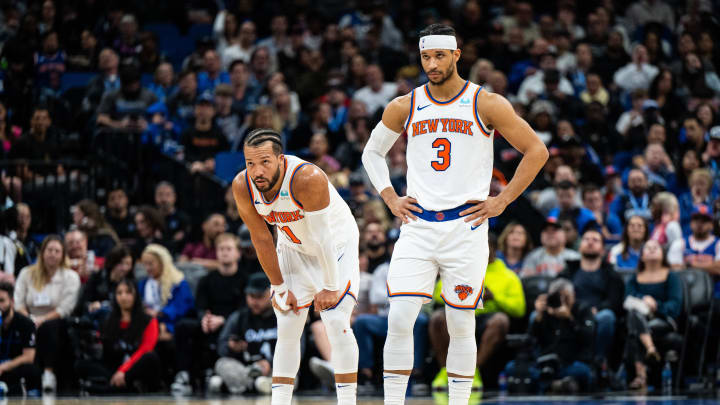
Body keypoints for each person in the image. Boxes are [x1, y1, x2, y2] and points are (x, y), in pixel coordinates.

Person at [361, 24, 548, 405]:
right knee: (399, 318)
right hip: (417, 226)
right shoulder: (405, 105)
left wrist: (503, 200)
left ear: (457, 55)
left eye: (439, 56)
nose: (432, 63)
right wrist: (390, 198)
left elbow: (537, 151)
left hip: (466, 227)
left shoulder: (486, 102)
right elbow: (371, 153)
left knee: (462, 323)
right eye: (426, 56)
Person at [232, 128, 361, 405]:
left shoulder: (307, 178)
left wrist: (328, 286)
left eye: (264, 162)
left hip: (335, 245)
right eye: (250, 163)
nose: (257, 171)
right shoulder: (242, 185)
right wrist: (278, 287)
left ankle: (348, 401)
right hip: (292, 247)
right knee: (288, 323)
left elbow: (323, 239)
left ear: (281, 159)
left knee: (336, 320)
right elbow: (261, 238)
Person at [429, 233, 525, 390]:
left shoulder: (508, 276)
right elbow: (439, 294)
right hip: (461, 314)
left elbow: (519, 309)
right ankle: (445, 371)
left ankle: (472, 372)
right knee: (438, 318)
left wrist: (494, 297)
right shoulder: (460, 268)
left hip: (486, 318)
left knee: (500, 320)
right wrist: (462, 294)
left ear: (495, 249)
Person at [171, 233, 247, 395]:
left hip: (233, 323)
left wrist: (224, 320)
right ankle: (184, 375)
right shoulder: (207, 279)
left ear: (237, 253)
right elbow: (200, 306)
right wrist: (205, 319)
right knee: (183, 327)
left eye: (228, 249)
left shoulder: (244, 279)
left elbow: (244, 310)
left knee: (235, 328)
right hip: (210, 321)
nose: (224, 252)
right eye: (221, 249)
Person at [14, 235, 80, 393]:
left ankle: (49, 373)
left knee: (50, 327)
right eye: (49, 250)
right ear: (42, 252)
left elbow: (65, 308)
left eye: (57, 251)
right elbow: (18, 303)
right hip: (27, 320)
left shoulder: (71, 277)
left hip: (56, 323)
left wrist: (41, 320)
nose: (53, 254)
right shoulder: (26, 273)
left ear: (63, 255)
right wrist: (30, 320)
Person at [505, 278, 595, 393]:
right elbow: (529, 341)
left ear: (573, 295)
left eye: (566, 297)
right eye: (558, 298)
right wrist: (538, 317)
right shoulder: (545, 312)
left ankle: (545, 385)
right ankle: (555, 385)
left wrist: (569, 319)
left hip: (570, 362)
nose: (562, 302)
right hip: (543, 364)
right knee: (512, 367)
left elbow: (588, 338)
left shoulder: (582, 309)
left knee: (584, 372)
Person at [76, 279, 162, 393]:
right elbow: (106, 350)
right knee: (80, 364)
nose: (123, 297)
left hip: (135, 368)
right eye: (119, 293)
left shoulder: (149, 320)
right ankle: (121, 388)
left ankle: (111, 389)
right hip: (114, 369)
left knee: (150, 357)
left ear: (136, 295)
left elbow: (145, 349)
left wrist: (123, 371)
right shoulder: (109, 319)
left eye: (128, 292)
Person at [558, 229, 624, 364]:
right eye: (586, 239)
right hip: (571, 314)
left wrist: (594, 310)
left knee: (607, 316)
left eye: (595, 240)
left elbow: (614, 301)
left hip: (597, 314)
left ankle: (600, 361)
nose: (590, 243)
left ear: (602, 250)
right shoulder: (569, 271)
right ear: (580, 246)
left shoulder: (611, 274)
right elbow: (557, 293)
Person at [623, 240, 682, 390]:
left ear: (663, 254)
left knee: (634, 328)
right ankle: (649, 349)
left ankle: (641, 375)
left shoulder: (671, 277)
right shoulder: (634, 278)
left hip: (663, 320)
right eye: (647, 248)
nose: (651, 250)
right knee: (634, 315)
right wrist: (643, 300)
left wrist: (656, 306)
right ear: (641, 256)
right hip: (640, 318)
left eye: (655, 247)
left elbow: (675, 306)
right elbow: (627, 300)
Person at [214, 272, 277, 394]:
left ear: (271, 294)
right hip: (246, 369)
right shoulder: (238, 317)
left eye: (259, 296)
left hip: (274, 369)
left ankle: (233, 385)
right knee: (221, 364)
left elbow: (297, 349)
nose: (254, 301)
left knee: (290, 372)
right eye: (251, 296)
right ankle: (258, 385)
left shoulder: (283, 317)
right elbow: (221, 347)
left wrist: (269, 363)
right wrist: (231, 347)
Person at [137, 244, 194, 337]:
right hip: (147, 321)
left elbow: (182, 306)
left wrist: (160, 313)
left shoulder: (178, 283)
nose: (147, 268)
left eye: (150, 264)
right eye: (145, 264)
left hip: (170, 323)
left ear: (162, 262)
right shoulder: (143, 284)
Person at [0, 281, 41, 396]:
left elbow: (29, 357)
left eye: (2, 301)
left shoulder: (25, 323)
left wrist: (4, 366)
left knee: (31, 370)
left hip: (13, 367)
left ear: (12, 302)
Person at [74, 245, 134, 321]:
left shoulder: (131, 282)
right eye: (121, 263)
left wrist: (105, 306)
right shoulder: (97, 277)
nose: (125, 268)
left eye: (128, 264)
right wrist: (91, 305)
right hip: (94, 317)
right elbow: (82, 304)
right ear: (113, 262)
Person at [668, 205, 720, 277]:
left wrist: (689, 265)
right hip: (686, 287)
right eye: (696, 219)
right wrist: (710, 266)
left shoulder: (718, 244)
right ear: (690, 223)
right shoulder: (679, 243)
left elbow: (718, 269)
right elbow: (674, 269)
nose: (700, 223)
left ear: (712, 224)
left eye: (704, 220)